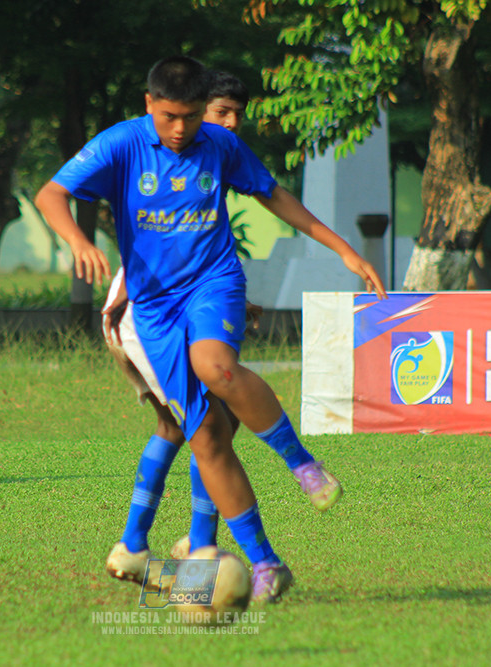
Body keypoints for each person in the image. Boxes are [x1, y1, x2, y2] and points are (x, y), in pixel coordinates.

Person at [36, 56, 385, 602]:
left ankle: (303, 466)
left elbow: (272, 194)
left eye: (192, 116)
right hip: (153, 308)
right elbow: (50, 194)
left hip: (213, 282)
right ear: (149, 104)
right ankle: (265, 563)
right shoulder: (120, 144)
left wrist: (342, 249)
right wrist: (78, 242)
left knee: (215, 368)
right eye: (170, 116)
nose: (181, 129)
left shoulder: (220, 145)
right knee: (205, 436)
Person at [101, 70, 352, 589]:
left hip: (170, 306)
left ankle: (151, 546)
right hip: (138, 316)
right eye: (220, 112)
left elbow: (194, 248)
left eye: (237, 113)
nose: (230, 123)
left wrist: (229, 300)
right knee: (202, 427)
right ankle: (189, 547)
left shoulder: (213, 156)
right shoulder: (158, 149)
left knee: (199, 425)